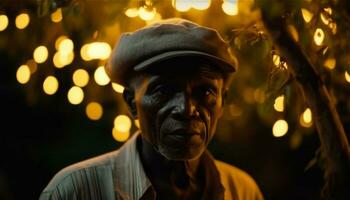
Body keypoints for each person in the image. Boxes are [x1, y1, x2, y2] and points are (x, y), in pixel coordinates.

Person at [40, 18, 264, 200]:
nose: (186, 109)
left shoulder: (243, 191)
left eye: (205, 92)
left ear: (222, 101)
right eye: (163, 91)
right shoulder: (74, 191)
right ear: (131, 103)